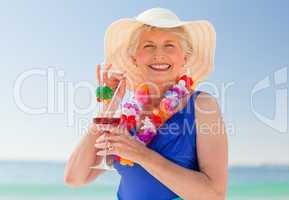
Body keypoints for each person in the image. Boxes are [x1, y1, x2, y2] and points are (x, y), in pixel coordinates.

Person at [64, 7, 228, 200]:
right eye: (148, 46)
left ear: (185, 57)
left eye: (170, 45)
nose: (159, 54)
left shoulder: (202, 105)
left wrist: (141, 154)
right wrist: (109, 107)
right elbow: (75, 178)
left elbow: (215, 195)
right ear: (134, 58)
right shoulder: (128, 115)